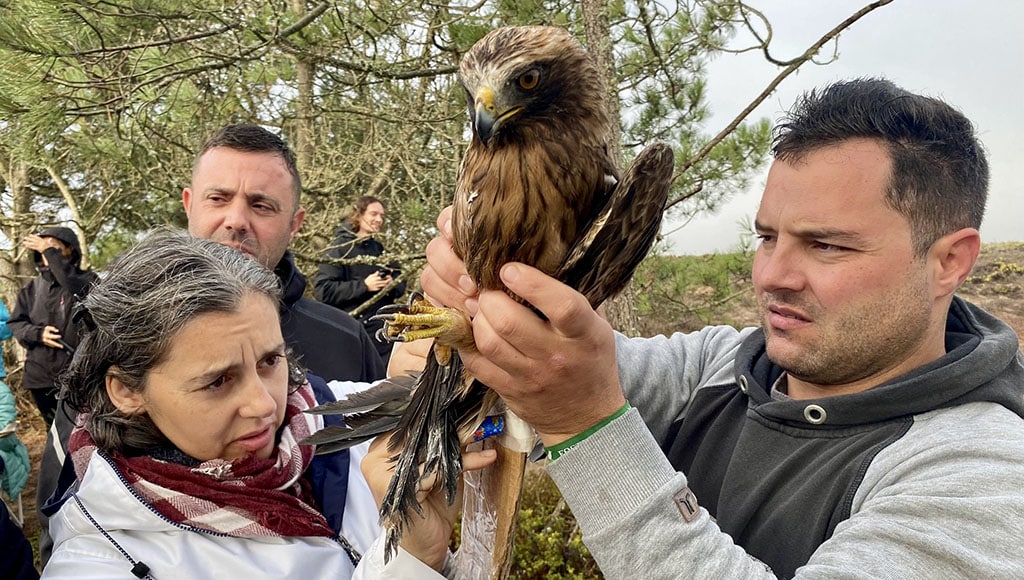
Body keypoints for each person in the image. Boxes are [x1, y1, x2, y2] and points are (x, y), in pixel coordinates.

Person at [386, 78, 1024, 577]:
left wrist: (585, 425)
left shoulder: (984, 480)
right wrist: (476, 321)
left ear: (949, 262)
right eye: (766, 237)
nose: (774, 274)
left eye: (827, 246)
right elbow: (578, 362)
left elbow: (583, 400)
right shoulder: (729, 368)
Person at [36, 124, 389, 566]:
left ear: (295, 224)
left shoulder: (345, 339)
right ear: (189, 204)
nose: (237, 220)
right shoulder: (112, 343)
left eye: (261, 204)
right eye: (218, 198)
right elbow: (69, 521)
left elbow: (384, 460)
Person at [7, 228, 98, 426]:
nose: (46, 253)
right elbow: (16, 323)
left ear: (69, 250)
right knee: (54, 434)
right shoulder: (31, 289)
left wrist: (48, 251)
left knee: (84, 434)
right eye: (43, 249)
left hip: (80, 378)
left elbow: (73, 284)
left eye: (53, 248)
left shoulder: (88, 281)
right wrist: (38, 334)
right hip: (41, 379)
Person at [315, 195, 407, 363]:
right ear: (359, 214)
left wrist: (390, 285)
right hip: (349, 337)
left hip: (382, 339)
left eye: (382, 216)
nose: (379, 219)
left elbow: (402, 279)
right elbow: (323, 291)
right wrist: (364, 285)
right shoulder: (339, 250)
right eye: (374, 214)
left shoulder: (379, 250)